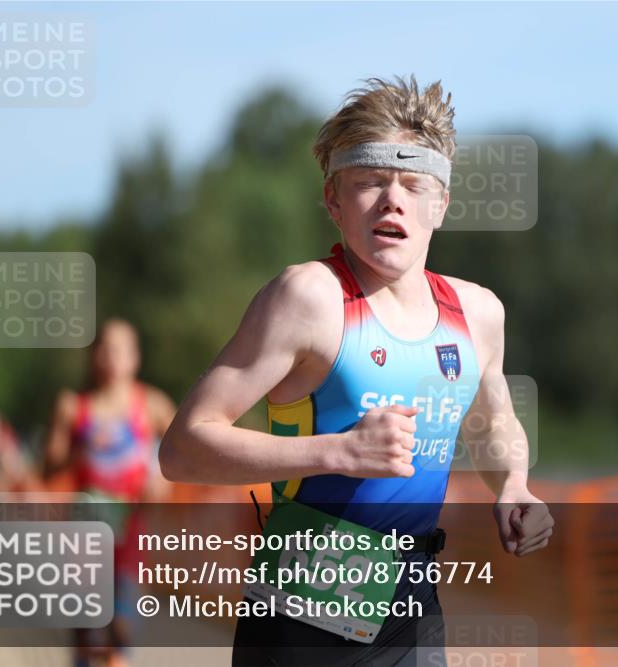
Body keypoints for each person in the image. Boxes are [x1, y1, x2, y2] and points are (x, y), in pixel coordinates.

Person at [159, 75, 554, 666]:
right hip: (300, 605)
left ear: (440, 205)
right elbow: (183, 449)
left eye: (413, 184)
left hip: (411, 604)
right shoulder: (307, 298)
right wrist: (336, 452)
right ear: (333, 201)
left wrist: (515, 486)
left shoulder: (478, 313)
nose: (392, 199)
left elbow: (490, 426)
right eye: (368, 182)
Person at [43, 317, 176, 667]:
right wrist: (74, 450)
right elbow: (48, 467)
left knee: (122, 629)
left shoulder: (152, 404)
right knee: (86, 632)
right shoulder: (73, 406)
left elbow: (182, 452)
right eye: (104, 348)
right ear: (93, 356)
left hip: (131, 534)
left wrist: (160, 479)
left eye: (120, 349)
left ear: (135, 358)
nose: (111, 356)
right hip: (85, 536)